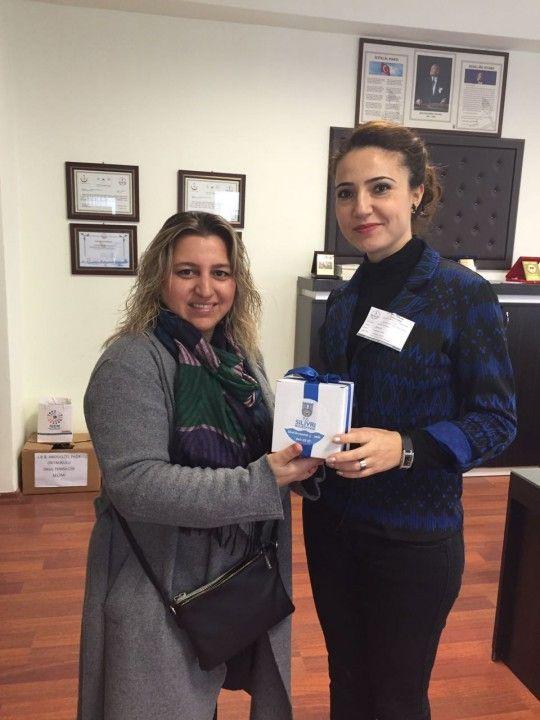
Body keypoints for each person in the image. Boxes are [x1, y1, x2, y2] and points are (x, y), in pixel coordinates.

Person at [303, 120, 517, 720]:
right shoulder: (343, 299)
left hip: (412, 536)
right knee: (346, 683)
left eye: (380, 188)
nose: (361, 208)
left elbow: (496, 420)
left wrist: (407, 446)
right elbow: (339, 394)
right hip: (333, 527)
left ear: (416, 193)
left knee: (397, 697)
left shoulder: (462, 294)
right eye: (346, 193)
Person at [78, 211, 322, 720]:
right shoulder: (131, 362)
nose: (205, 289)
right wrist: (262, 480)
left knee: (202, 701)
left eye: (221, 273)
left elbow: (265, 447)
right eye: (187, 272)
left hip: (234, 574)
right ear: (159, 278)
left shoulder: (238, 354)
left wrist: (308, 458)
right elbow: (135, 484)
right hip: (160, 581)